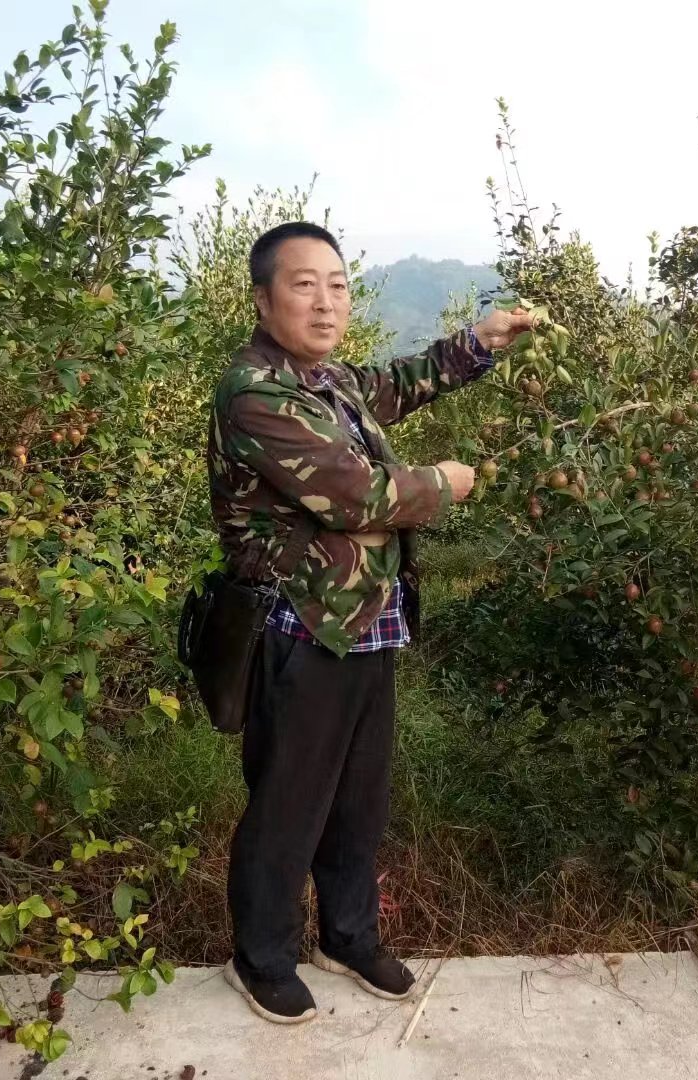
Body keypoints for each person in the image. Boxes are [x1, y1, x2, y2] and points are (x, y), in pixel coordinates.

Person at [207, 222, 534, 1024]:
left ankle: (347, 936)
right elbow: (357, 496)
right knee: (290, 802)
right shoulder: (256, 391)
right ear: (262, 298)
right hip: (298, 629)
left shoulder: (331, 384)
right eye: (303, 284)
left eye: (338, 285)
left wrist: (480, 342)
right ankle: (262, 956)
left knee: (359, 800)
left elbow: (399, 384)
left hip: (367, 621)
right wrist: (443, 483)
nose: (325, 302)